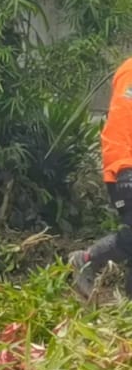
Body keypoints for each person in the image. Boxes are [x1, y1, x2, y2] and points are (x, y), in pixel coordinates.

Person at [68, 54, 132, 300]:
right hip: (125, 170)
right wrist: (125, 169)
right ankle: (86, 260)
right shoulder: (131, 72)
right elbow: (121, 122)